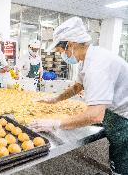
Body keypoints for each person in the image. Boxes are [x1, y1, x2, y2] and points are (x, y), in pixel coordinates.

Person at [29, 17, 128, 174]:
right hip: (113, 111)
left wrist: (55, 124)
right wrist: (55, 99)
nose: (61, 55)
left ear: (70, 44)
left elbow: (95, 115)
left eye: (61, 51)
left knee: (122, 161)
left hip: (124, 119)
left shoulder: (97, 66)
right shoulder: (86, 60)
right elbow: (77, 87)